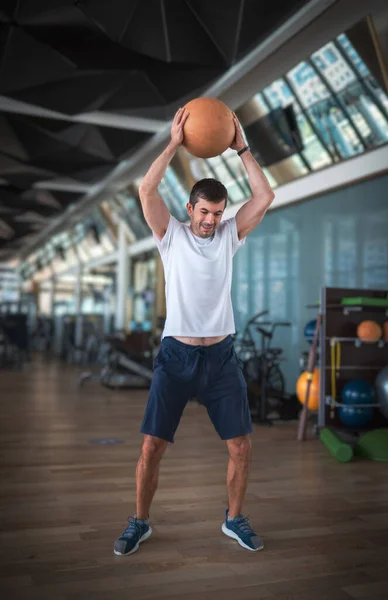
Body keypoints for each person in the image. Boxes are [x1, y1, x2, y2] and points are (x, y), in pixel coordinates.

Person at [114, 106, 274, 557]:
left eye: (218, 213)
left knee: (241, 447)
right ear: (190, 208)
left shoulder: (228, 236)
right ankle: (139, 522)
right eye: (204, 212)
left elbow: (264, 197)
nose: (211, 220)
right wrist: (173, 143)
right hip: (177, 357)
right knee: (151, 447)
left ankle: (234, 519)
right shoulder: (171, 235)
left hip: (221, 357)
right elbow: (146, 189)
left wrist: (242, 147)